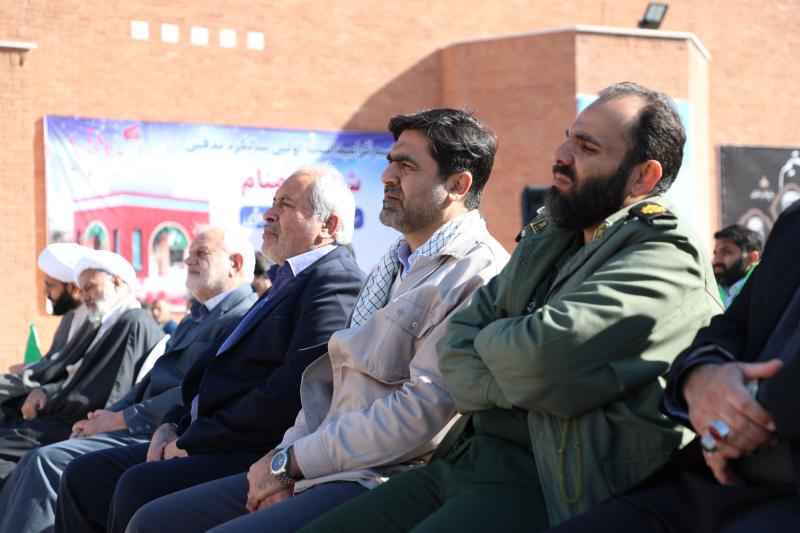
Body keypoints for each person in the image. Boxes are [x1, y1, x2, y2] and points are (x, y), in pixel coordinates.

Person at [302, 82, 723, 532]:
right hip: (467, 461)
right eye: (568, 138)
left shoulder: (666, 255)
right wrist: (515, 364)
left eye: (587, 148)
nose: (561, 155)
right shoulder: (550, 238)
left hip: (555, 482)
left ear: (643, 177)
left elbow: (545, 360)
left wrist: (500, 357)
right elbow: (455, 350)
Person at [125, 108, 511, 533]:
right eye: (390, 163)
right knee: (152, 519)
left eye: (407, 166)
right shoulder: (393, 266)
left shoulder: (477, 272)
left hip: (380, 478)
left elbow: (419, 415)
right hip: (320, 465)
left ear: (457, 185)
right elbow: (327, 386)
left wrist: (293, 463)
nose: (387, 176)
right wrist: (285, 461)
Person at [55, 165, 365, 533]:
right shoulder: (285, 281)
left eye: (285, 205)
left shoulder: (335, 280)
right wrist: (170, 424)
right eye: (272, 202)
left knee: (138, 486)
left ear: (328, 225)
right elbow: (207, 376)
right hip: (203, 435)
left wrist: (193, 440)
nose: (268, 214)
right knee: (84, 476)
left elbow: (291, 390)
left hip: (252, 448)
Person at [548, 200, 800, 532]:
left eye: (726, 252)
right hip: (706, 483)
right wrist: (703, 376)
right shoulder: (795, 221)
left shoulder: (662, 245)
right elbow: (731, 327)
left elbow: (545, 354)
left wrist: (730, 421)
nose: (717, 259)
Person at [0, 226, 258, 533]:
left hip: (166, 429)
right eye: (188, 253)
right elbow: (143, 383)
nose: (188, 260)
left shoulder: (242, 316)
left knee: (48, 461)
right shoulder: (194, 318)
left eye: (201, 253)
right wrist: (105, 416)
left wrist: (119, 418)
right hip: (141, 422)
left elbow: (197, 391)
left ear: (235, 263)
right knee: (45, 461)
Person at [0, 250, 164, 483]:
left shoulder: (132, 321)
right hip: (56, 416)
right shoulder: (103, 322)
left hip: (71, 425)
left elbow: (110, 393)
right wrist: (45, 390)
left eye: (90, 287)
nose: (84, 296)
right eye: (82, 289)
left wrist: (62, 408)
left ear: (116, 282)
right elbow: (74, 374)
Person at [2, 243, 90, 395]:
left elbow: (65, 369)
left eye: (50, 286)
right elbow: (52, 357)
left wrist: (27, 370)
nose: (46, 292)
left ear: (73, 288)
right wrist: (29, 367)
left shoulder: (91, 320)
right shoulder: (70, 315)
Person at [712, 224, 763, 308]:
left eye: (726, 252)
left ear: (752, 258)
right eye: (715, 253)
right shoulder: (713, 290)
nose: (716, 260)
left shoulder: (763, 291)